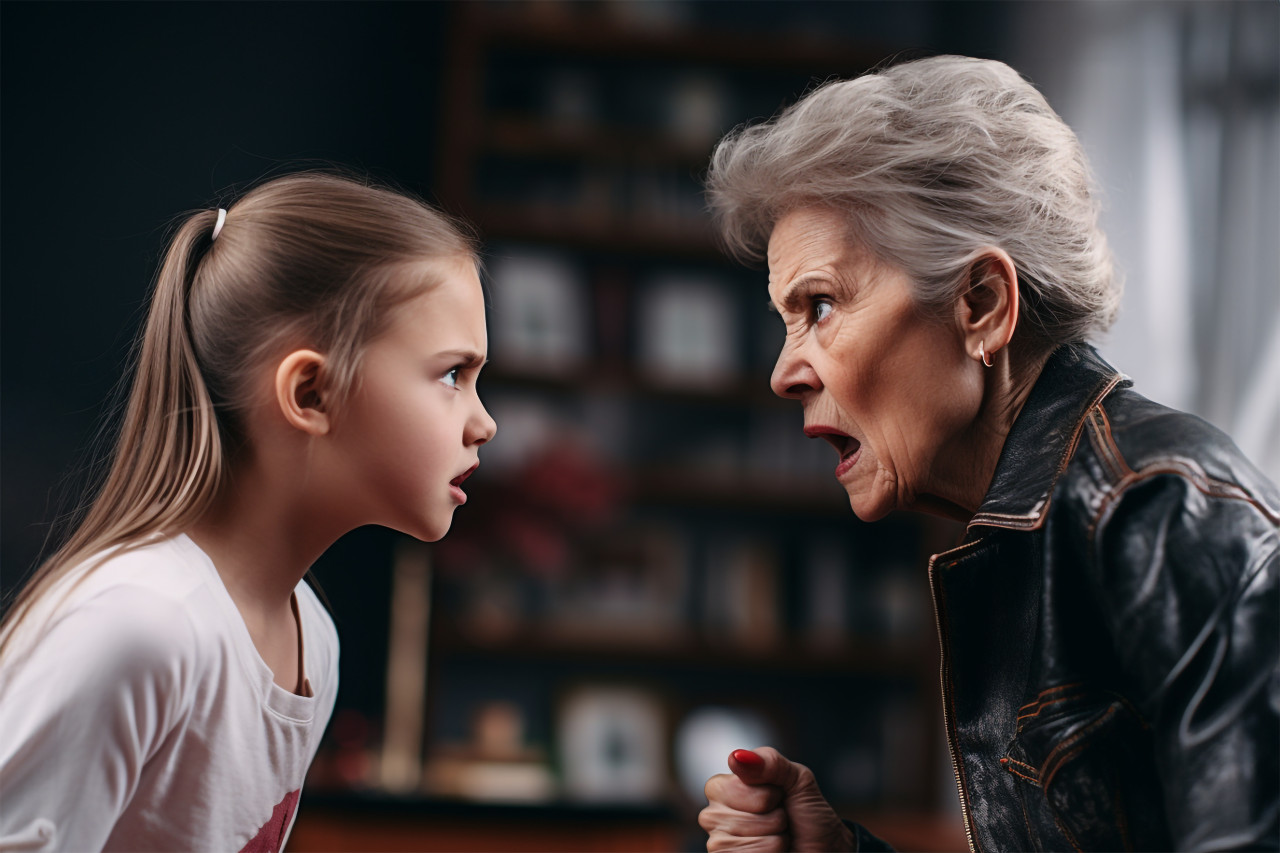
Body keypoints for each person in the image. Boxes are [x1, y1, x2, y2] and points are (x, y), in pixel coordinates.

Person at [698, 56, 1279, 852]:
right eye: (786, 320)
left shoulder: (1163, 510)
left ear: (982, 304)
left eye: (821, 306)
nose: (783, 372)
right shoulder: (1019, 531)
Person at [0, 171, 497, 852]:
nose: (484, 423)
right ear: (311, 392)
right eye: (451, 374)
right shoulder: (141, 627)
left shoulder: (312, 641)